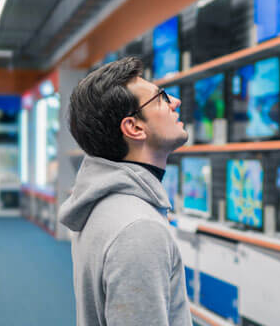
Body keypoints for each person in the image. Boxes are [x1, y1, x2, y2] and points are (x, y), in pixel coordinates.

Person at [58, 57, 191, 326]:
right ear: (134, 127)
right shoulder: (137, 228)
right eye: (161, 98)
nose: (175, 101)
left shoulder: (103, 205)